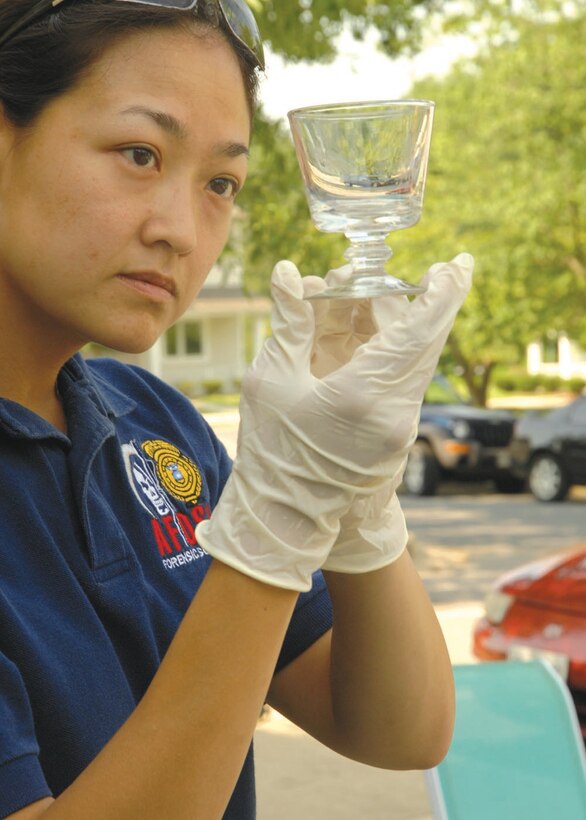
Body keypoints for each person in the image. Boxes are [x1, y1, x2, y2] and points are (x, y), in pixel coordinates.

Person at [0, 0, 474, 817]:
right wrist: (274, 524)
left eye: (221, 182)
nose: (183, 230)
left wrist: (356, 496)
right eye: (140, 154)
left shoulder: (153, 422)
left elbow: (400, 730)